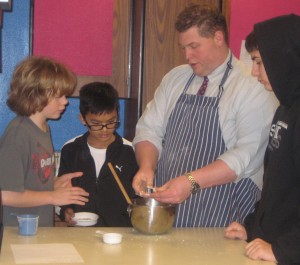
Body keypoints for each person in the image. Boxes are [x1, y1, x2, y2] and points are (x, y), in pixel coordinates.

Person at [132, 4, 278, 227]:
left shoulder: (251, 84)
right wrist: (146, 166)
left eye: (194, 46)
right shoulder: (175, 78)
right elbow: (148, 129)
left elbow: (245, 155)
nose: (187, 56)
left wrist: (190, 182)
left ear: (218, 38)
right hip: (172, 209)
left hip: (228, 212)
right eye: (183, 48)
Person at [225, 14, 300, 264]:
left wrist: (284, 251)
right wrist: (252, 227)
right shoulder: (285, 109)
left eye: (258, 62)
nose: (255, 72)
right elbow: (276, 186)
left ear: (283, 57)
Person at [0, 56, 89, 227]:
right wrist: (52, 196)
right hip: (17, 235)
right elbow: (5, 194)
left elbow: (29, 183)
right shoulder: (18, 134)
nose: (65, 101)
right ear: (34, 94)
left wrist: (53, 185)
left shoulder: (43, 127)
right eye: (58, 96)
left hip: (38, 230)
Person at [58, 82, 138, 227]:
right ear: (83, 119)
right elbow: (60, 192)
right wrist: (65, 211)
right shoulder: (70, 150)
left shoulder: (130, 152)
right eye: (96, 123)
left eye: (111, 122)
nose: (104, 130)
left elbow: (138, 198)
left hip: (120, 234)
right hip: (81, 233)